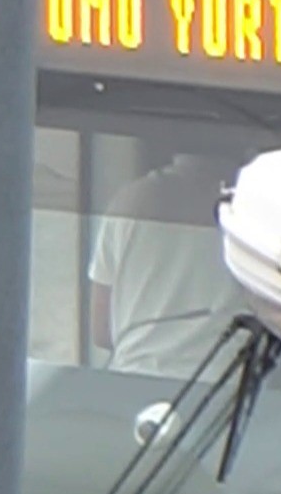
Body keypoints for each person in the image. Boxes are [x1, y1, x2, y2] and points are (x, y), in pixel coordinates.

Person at [90, 151, 248, 379]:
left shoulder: (130, 200)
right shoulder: (253, 210)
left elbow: (102, 330)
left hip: (131, 382)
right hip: (225, 388)